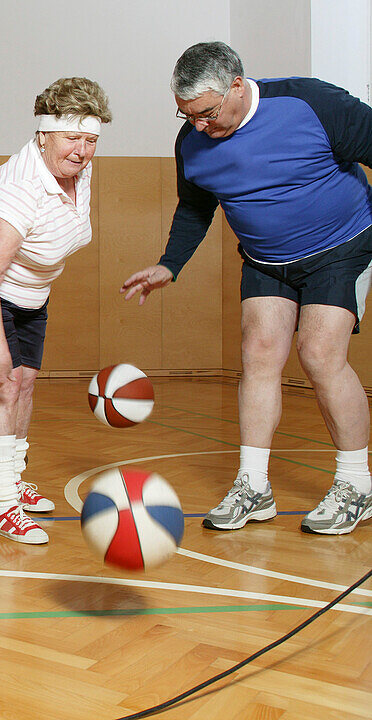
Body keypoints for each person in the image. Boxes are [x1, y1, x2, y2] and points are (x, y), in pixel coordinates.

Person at [121, 42, 372, 536]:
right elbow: (195, 207)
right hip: (266, 258)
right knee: (258, 355)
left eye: (207, 113)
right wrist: (170, 264)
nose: (199, 126)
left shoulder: (311, 104)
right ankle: (253, 485)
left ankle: (357, 484)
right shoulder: (191, 141)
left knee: (319, 354)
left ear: (238, 84)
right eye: (186, 115)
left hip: (342, 245)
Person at [0, 78, 112, 544]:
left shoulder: (77, 168)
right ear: (43, 135)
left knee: (25, 381)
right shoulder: (19, 188)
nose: (82, 150)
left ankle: (14, 478)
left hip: (31, 291)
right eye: (72, 137)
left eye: (90, 140)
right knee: (4, 386)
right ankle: (3, 506)